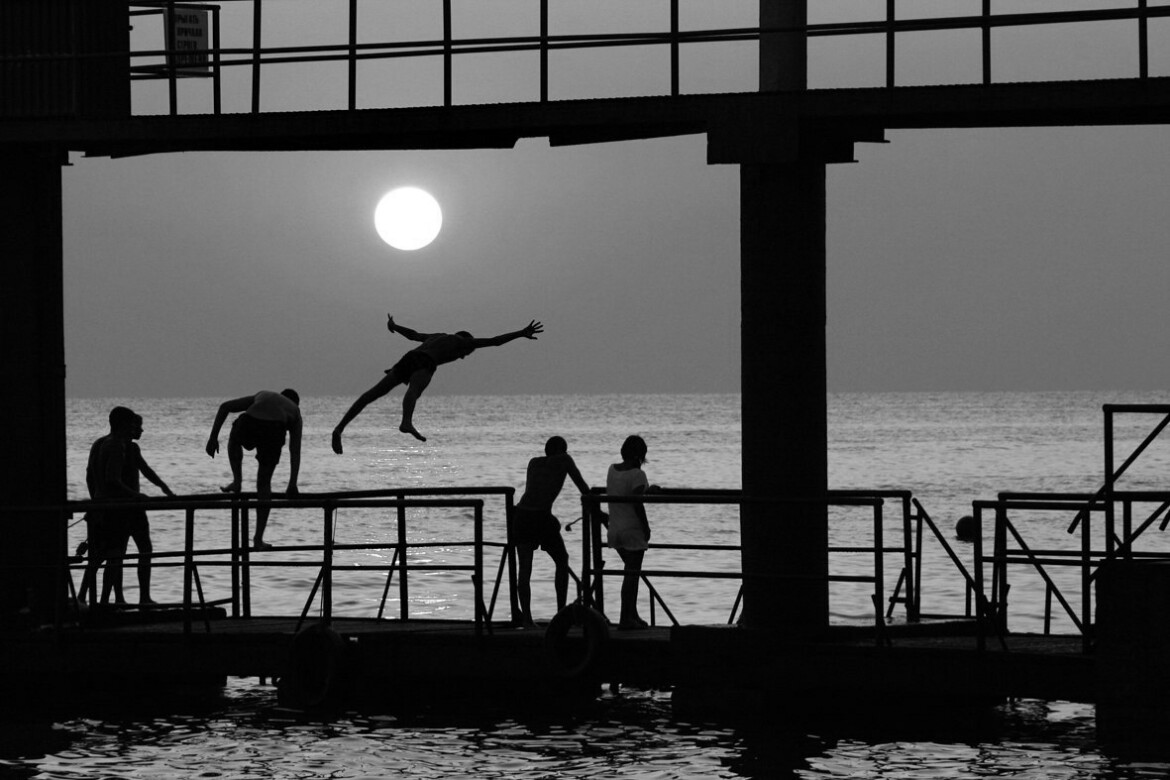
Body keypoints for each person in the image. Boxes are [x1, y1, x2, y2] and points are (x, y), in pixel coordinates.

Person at [331, 314, 543, 451]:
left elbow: (413, 335)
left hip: (408, 358)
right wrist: (521, 333)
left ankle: (340, 428)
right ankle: (406, 422)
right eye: (467, 353)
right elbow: (495, 342)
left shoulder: (436, 337)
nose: (463, 356)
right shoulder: (463, 342)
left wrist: (394, 325)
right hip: (425, 362)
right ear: (466, 342)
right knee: (414, 390)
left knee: (373, 394)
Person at [80, 407, 174, 606]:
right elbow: (112, 479)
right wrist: (136, 495)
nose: (136, 428)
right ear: (124, 425)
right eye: (133, 424)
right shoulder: (116, 445)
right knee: (116, 555)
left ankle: (103, 599)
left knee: (108, 555)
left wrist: (164, 487)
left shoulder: (104, 444)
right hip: (121, 508)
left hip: (106, 506)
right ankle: (111, 601)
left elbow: (91, 476)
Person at [205, 389, 302, 549]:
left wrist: (213, 437)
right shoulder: (295, 411)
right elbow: (295, 451)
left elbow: (224, 407)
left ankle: (237, 481)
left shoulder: (264, 394)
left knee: (235, 437)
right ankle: (258, 539)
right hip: (274, 430)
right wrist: (292, 484)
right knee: (264, 485)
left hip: (251, 421)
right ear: (295, 403)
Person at [512, 436, 590, 627]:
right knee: (562, 560)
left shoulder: (533, 462)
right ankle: (560, 614)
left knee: (525, 569)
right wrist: (598, 509)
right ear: (562, 451)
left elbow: (537, 492)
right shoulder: (564, 459)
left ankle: (527, 620)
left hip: (522, 515)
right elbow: (583, 488)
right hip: (539, 517)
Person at [606, 435, 657, 630]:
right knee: (631, 576)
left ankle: (632, 614)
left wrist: (646, 490)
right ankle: (625, 618)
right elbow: (637, 502)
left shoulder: (612, 470)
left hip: (615, 529)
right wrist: (646, 527)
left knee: (630, 573)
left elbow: (628, 492)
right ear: (639, 455)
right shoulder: (638, 474)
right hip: (632, 530)